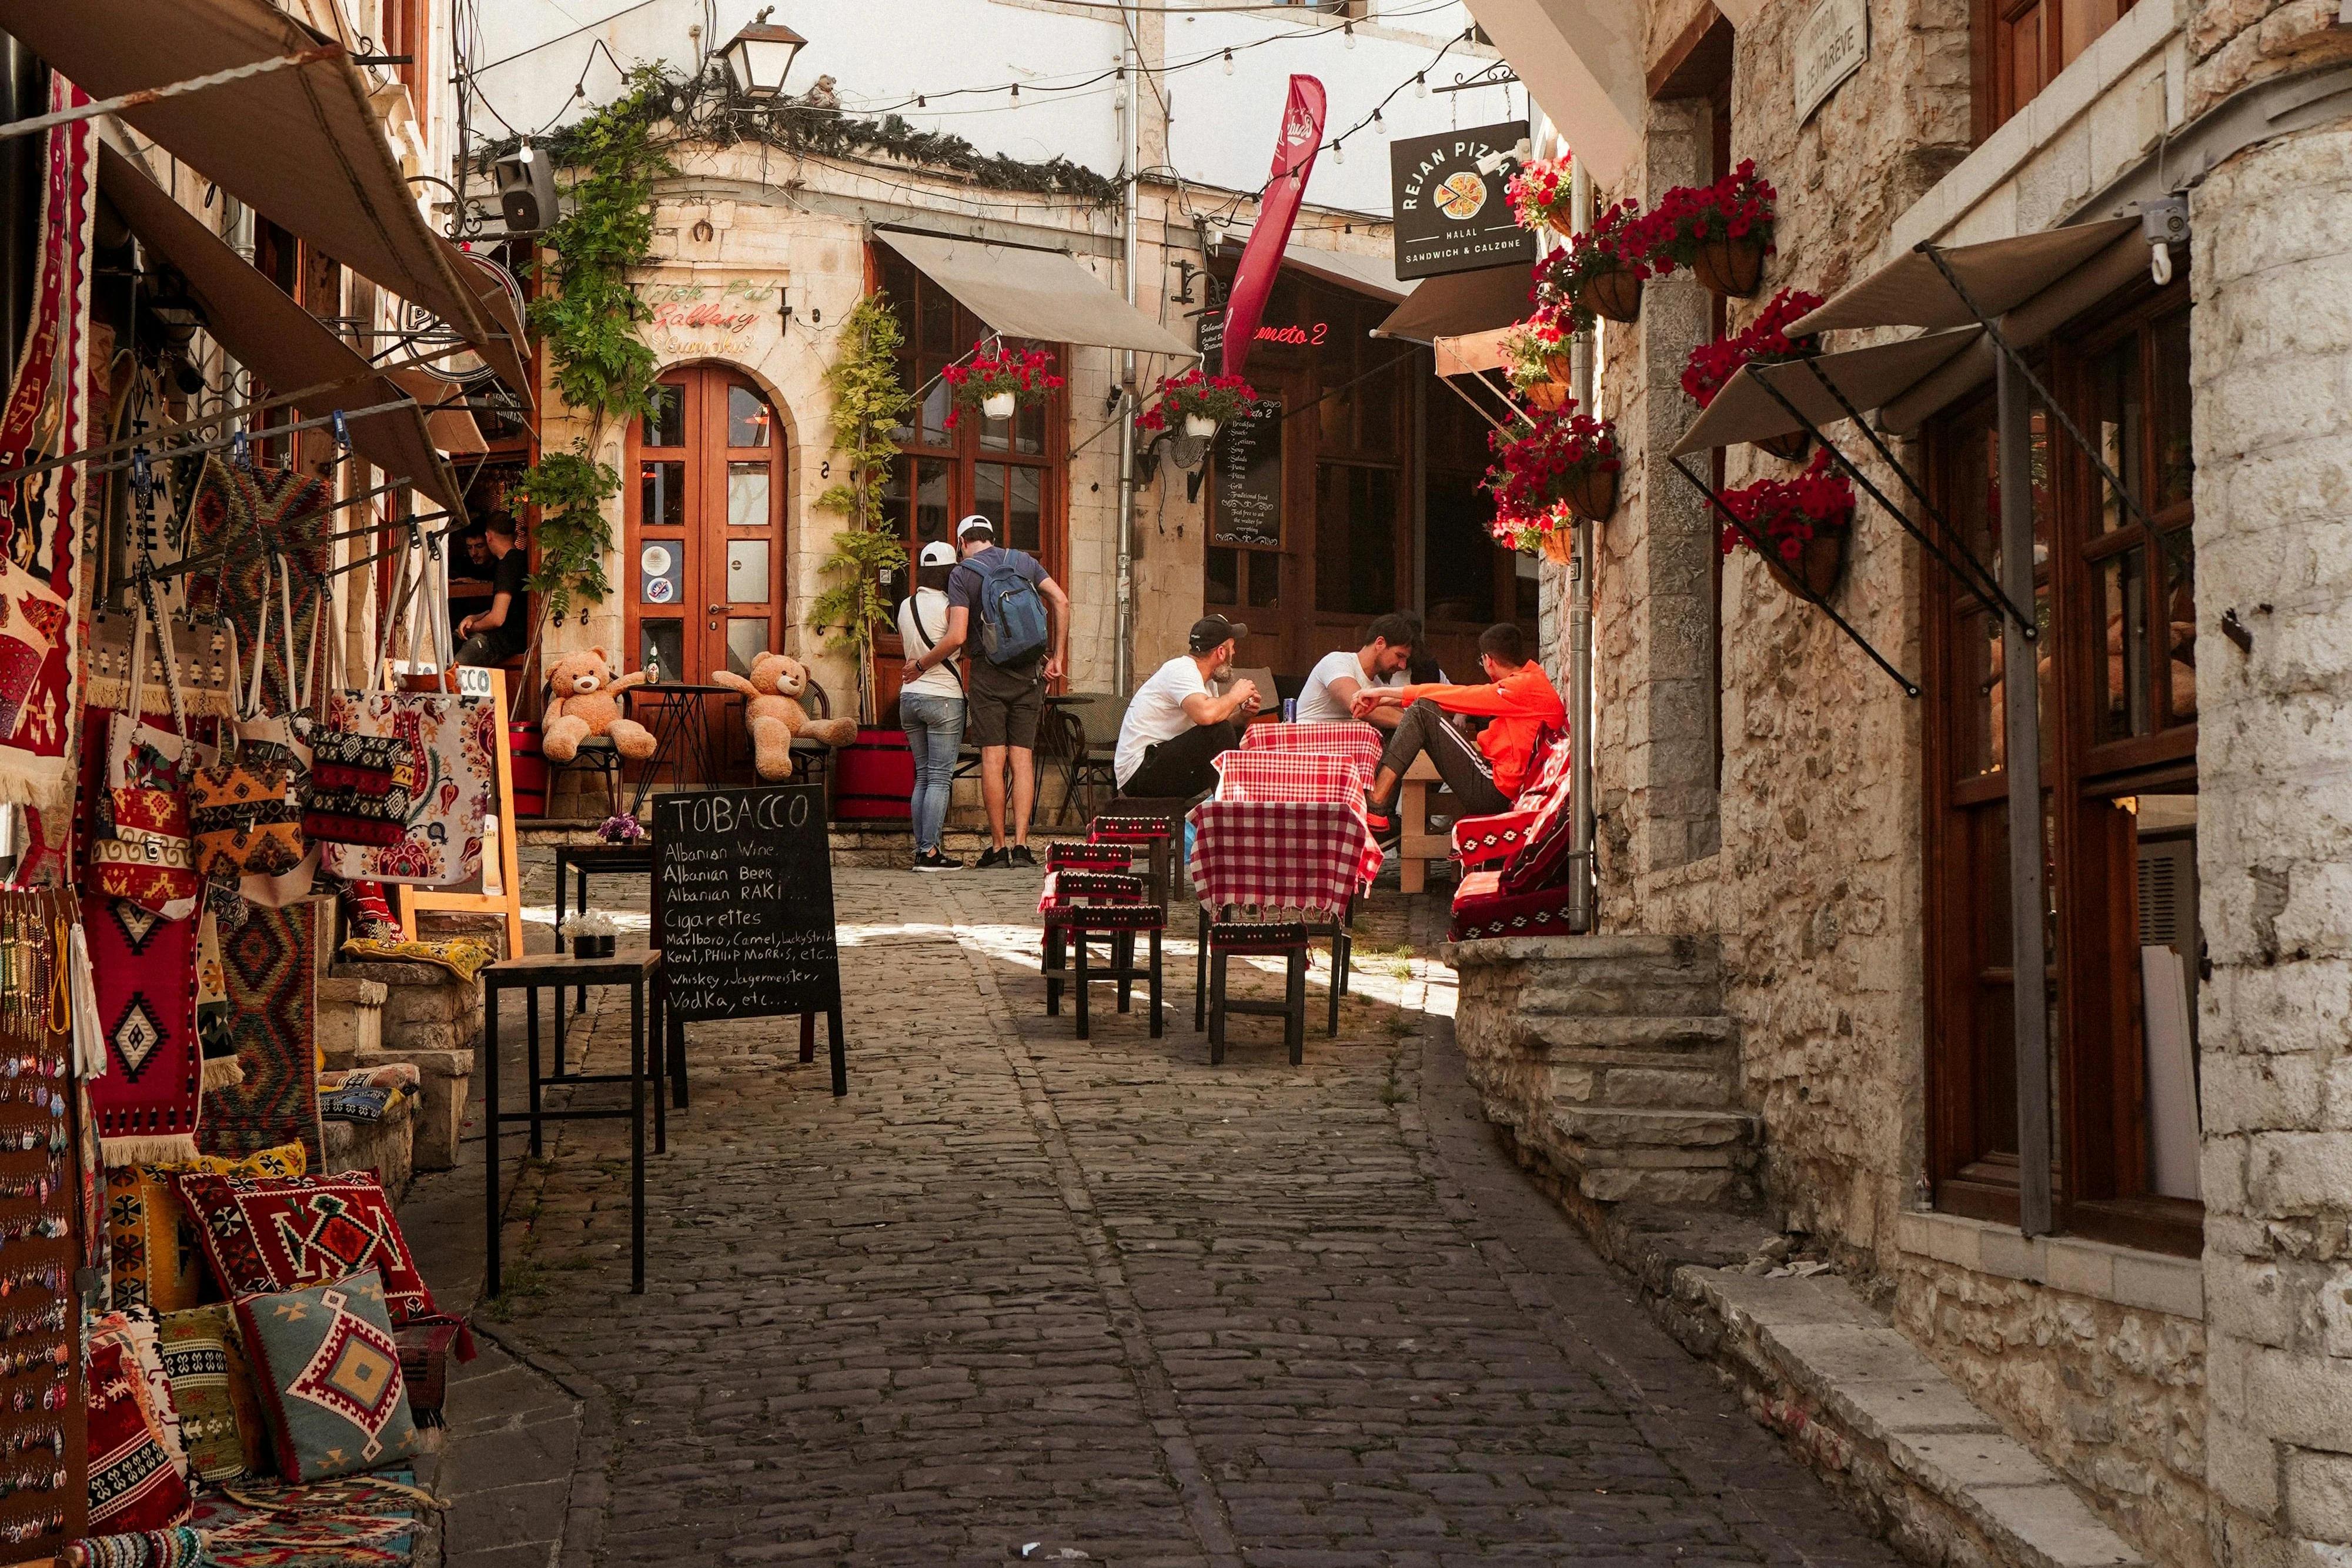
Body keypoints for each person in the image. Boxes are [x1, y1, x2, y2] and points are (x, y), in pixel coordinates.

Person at [913, 516, 1069, 869]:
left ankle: (998, 849)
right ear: (993, 538)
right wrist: (1057, 657)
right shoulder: (1023, 561)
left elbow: (958, 635)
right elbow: (1060, 601)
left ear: (961, 543)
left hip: (988, 676)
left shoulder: (963, 573)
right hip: (1029, 675)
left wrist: (924, 664)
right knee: (1023, 760)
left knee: (993, 761)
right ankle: (1023, 846)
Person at [1353, 621, 1564, 827]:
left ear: (1488, 660)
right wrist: (1383, 699)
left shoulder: (1520, 687)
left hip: (1496, 790)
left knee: (1421, 710)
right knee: (1422, 708)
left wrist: (1381, 692)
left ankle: (1377, 801)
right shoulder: (1531, 683)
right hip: (1506, 786)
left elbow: (1458, 695)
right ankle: (1379, 804)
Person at [1114, 616, 1261, 799]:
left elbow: (1211, 723)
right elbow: (1206, 716)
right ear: (1221, 652)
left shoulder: (1206, 681)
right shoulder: (1182, 671)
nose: (1235, 654)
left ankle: (1235, 800)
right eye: (1232, 648)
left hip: (1158, 761)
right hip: (1139, 771)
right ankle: (1227, 806)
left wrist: (1242, 716)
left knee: (1232, 731)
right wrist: (1234, 696)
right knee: (1221, 731)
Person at [896, 541, 966, 872]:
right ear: (951, 571)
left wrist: (919, 666)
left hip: (909, 697)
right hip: (943, 697)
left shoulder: (905, 605)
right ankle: (930, 853)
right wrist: (928, 664)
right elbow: (956, 641)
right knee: (940, 778)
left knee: (922, 776)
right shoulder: (951, 607)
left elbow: (909, 647)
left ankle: (921, 849)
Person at [1295, 613, 1416, 727]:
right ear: (1380, 643)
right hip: (1306, 742)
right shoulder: (1337, 662)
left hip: (1345, 745)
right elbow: (1360, 706)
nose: (1403, 666)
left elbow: (1403, 715)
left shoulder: (1378, 685)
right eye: (1400, 656)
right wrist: (1418, 727)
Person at [455, 517, 528, 667]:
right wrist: (475, 617)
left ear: (488, 537)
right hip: (513, 639)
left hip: (502, 641)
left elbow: (497, 619)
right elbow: (511, 607)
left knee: (453, 671)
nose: (474, 552)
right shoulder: (521, 559)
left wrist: (469, 628)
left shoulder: (507, 564)